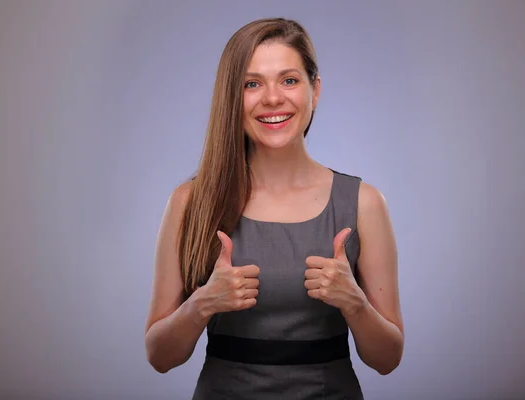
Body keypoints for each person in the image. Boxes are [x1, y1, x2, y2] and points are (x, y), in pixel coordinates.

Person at [144, 17, 404, 399]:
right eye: (252, 84)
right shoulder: (189, 203)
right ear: (232, 97)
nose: (272, 98)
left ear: (315, 90)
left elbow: (387, 359)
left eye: (289, 80)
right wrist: (201, 304)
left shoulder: (364, 203)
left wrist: (356, 304)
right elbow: (160, 356)